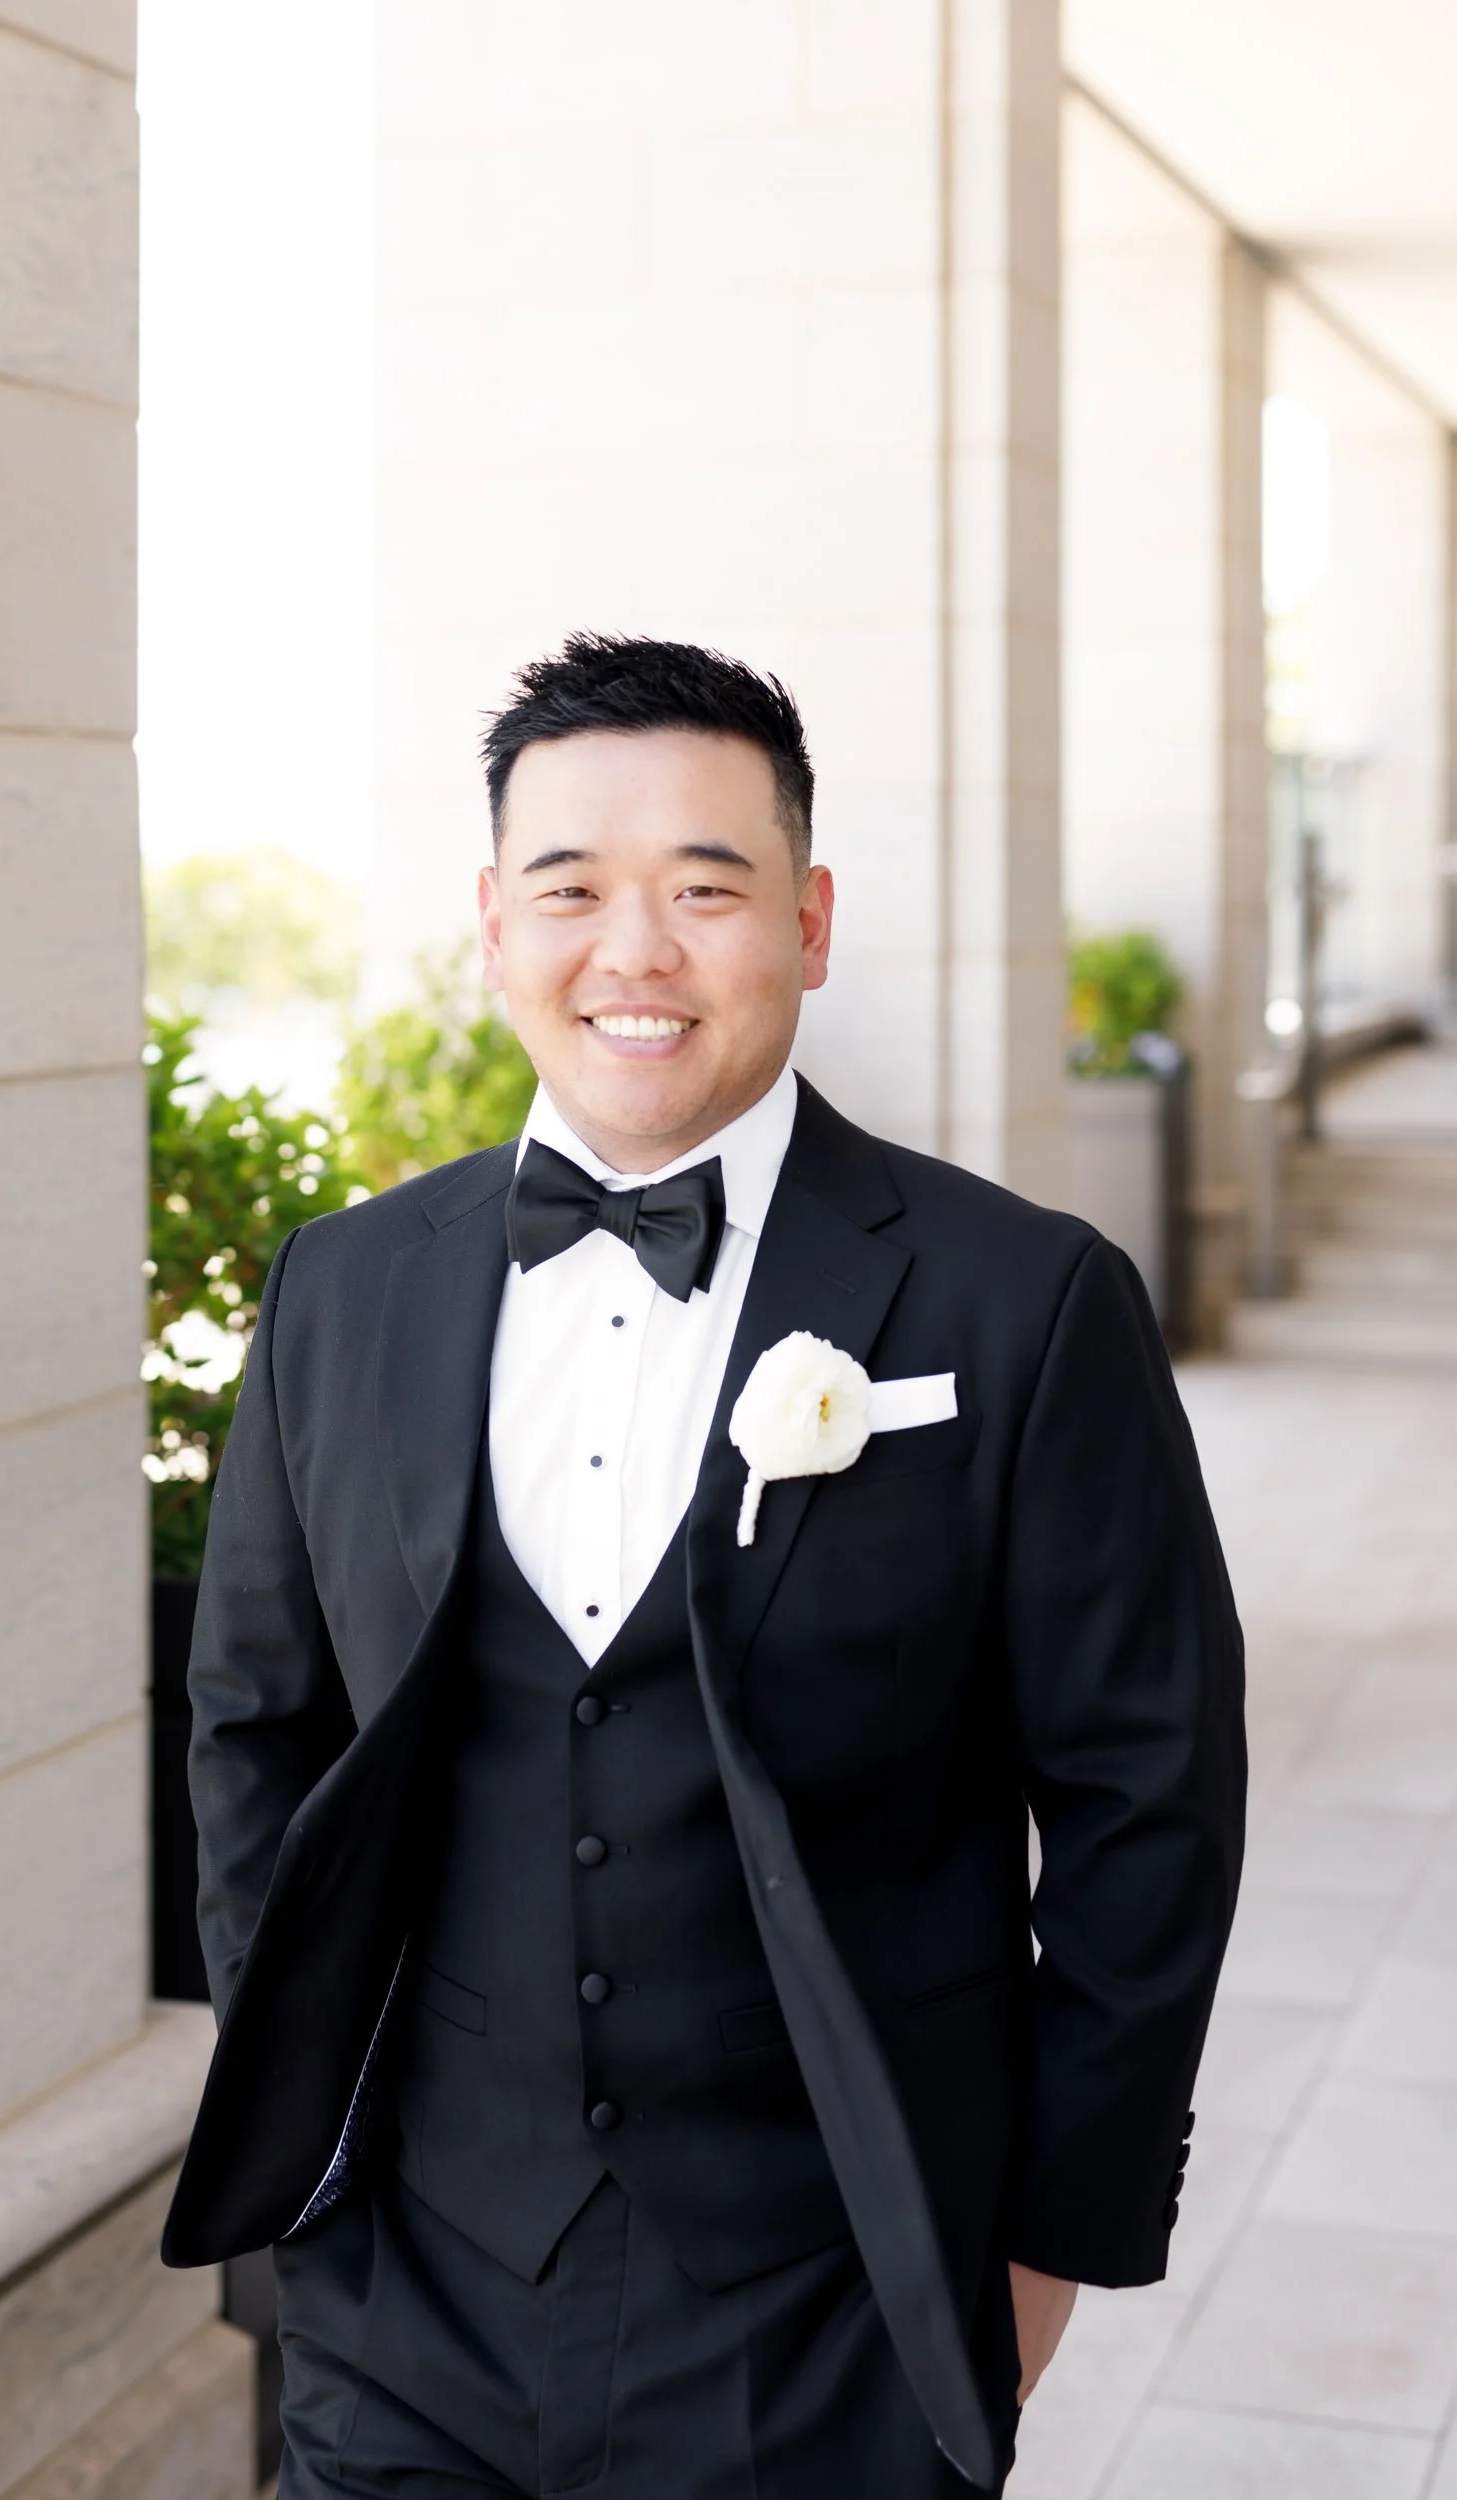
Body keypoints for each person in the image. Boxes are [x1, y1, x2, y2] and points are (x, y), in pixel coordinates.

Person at [162, 635, 1246, 2498]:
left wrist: (1048, 2240)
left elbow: (1150, 1794)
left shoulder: (1023, 1299)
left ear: (809, 923)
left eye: (704, 887)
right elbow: (258, 1723)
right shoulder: (345, 1286)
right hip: (401, 2301)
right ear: (494, 925)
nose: (634, 952)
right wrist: (316, 2150)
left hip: (829, 2303)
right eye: (572, 889)